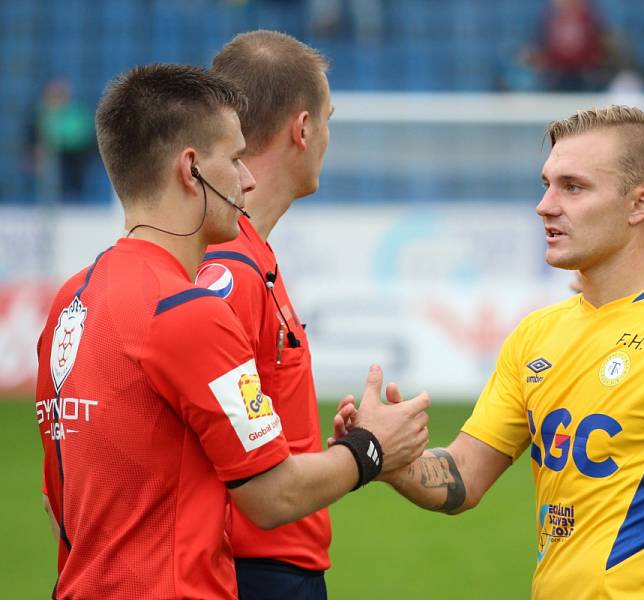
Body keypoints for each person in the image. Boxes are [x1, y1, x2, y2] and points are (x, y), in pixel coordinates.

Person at [336, 105, 644, 599]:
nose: (545, 205)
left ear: (638, 205)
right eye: (547, 183)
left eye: (573, 188)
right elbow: (465, 475)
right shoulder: (536, 334)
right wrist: (387, 457)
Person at [35, 63, 429, 599]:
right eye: (237, 158)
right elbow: (272, 497)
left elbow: (57, 503)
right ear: (191, 169)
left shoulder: (72, 298)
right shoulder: (186, 311)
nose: (247, 179)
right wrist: (370, 447)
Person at [195, 30, 334, 599]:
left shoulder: (247, 253)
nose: (329, 137)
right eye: (329, 119)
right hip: (253, 570)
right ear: (302, 129)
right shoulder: (227, 266)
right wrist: (369, 449)